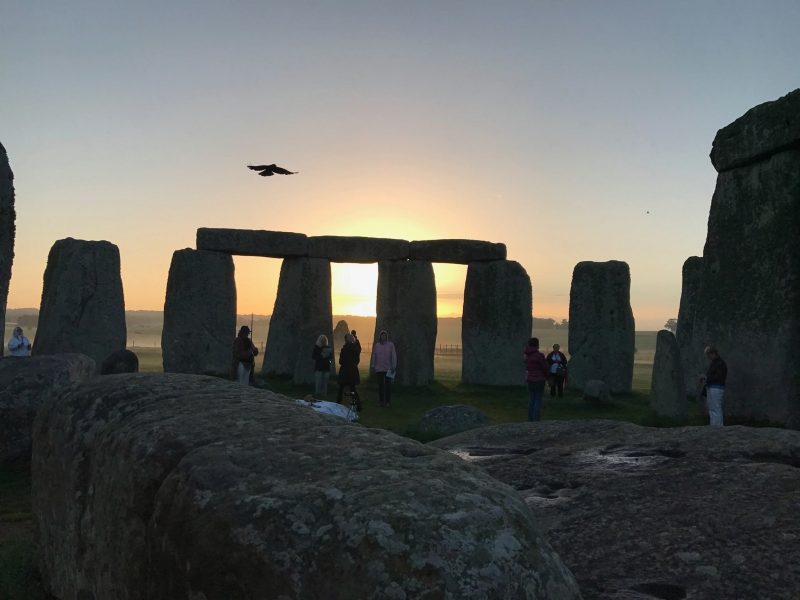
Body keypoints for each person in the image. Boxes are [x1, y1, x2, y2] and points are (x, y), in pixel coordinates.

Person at [699, 345, 727, 426]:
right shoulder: (716, 363)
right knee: (712, 408)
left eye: (708, 355)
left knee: (716, 408)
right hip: (712, 387)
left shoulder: (720, 363)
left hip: (716, 388)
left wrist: (706, 377)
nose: (708, 357)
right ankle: (714, 425)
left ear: (713, 354)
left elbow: (718, 377)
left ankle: (718, 426)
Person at [523, 337, 548, 421]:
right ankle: (536, 419)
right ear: (537, 345)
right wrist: (548, 376)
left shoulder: (526, 356)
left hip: (530, 379)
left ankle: (530, 418)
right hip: (539, 379)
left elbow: (527, 366)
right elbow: (544, 367)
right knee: (538, 399)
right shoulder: (539, 356)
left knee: (531, 399)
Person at [371, 329, 397, 407]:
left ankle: (388, 401)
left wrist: (393, 366)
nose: (383, 337)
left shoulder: (390, 345)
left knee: (388, 386)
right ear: (380, 337)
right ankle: (381, 401)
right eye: (382, 335)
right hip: (379, 368)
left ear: (386, 337)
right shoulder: (377, 345)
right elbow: (374, 355)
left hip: (388, 368)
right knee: (380, 386)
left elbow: (393, 356)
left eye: (385, 335)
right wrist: (373, 365)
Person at [337, 333, 361, 408]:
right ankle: (358, 405)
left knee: (341, 388)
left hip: (345, 370)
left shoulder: (344, 349)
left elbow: (341, 361)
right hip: (353, 370)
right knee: (353, 388)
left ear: (346, 340)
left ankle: (338, 403)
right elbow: (357, 361)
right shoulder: (356, 349)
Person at [312, 334, 334, 399]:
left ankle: (323, 395)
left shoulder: (327, 348)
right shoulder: (317, 348)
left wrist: (327, 356)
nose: (323, 341)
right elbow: (313, 356)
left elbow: (331, 356)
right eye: (322, 340)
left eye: (324, 340)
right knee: (319, 382)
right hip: (320, 367)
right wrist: (322, 356)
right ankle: (318, 394)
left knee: (324, 382)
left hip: (324, 367)